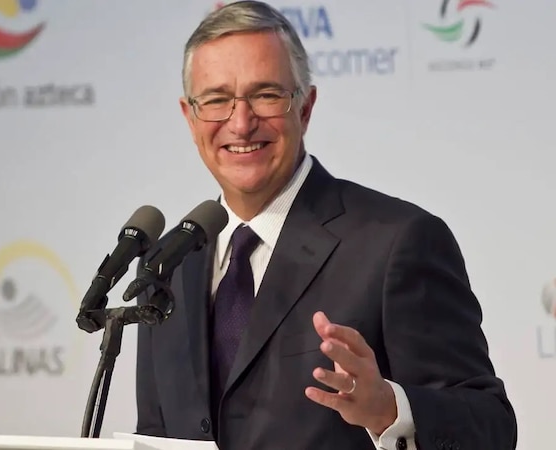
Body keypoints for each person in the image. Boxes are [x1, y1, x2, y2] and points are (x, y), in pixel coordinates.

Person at [134, 1, 517, 449]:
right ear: (190, 116)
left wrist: (391, 409)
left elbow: (490, 427)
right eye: (217, 100)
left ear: (306, 107)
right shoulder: (168, 265)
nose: (240, 123)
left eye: (266, 95)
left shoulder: (397, 242)